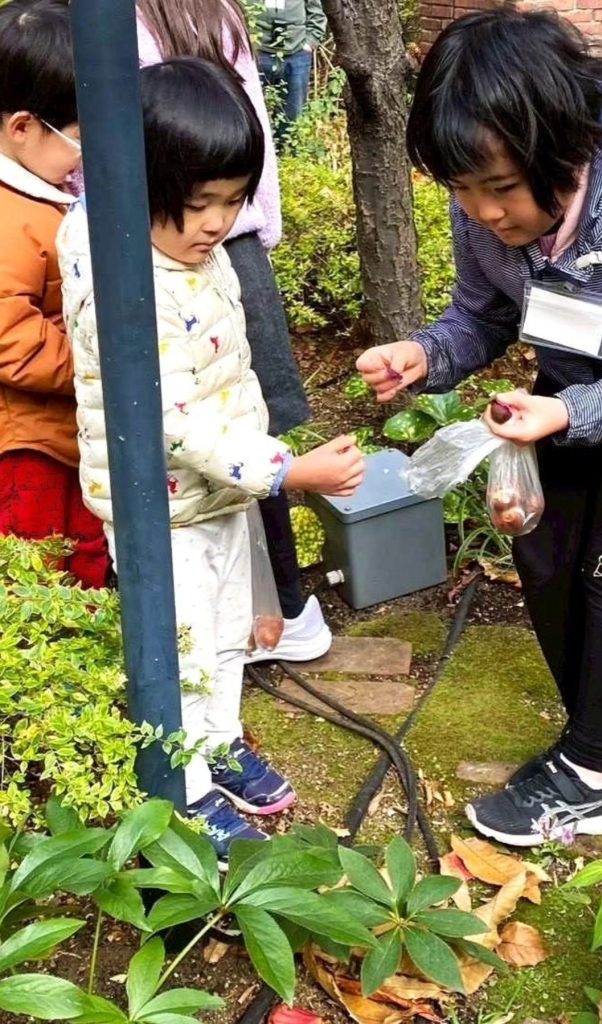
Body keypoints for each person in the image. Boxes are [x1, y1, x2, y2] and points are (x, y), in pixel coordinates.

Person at [357, 9, 602, 846]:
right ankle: (596, 722)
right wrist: (427, 354)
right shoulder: (483, 203)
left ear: (563, 145)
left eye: (501, 188)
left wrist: (573, 412)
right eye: (461, 189)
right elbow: (483, 315)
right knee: (539, 545)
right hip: (572, 375)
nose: (483, 212)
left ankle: (590, 772)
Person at [58, 57, 364, 862]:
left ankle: (219, 743)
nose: (218, 222)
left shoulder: (190, 251)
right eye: (200, 204)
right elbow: (170, 418)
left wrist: (262, 457)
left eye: (233, 201)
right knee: (182, 649)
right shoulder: (126, 281)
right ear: (140, 186)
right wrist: (286, 471)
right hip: (162, 507)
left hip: (219, 491)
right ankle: (183, 789)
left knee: (229, 632)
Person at [134, 0, 332, 663]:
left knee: (243, 416)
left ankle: (270, 614)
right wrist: (252, 222)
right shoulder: (209, 11)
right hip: (207, 246)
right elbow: (178, 420)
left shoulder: (137, 20)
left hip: (186, 244)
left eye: (230, 198)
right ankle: (268, 616)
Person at [0, 0, 109, 589]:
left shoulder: (40, 194)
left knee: (84, 551)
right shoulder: (8, 217)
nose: (87, 155)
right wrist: (95, 366)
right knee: (37, 571)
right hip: (26, 448)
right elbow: (11, 338)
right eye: (79, 139)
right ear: (22, 128)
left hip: (61, 432)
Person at [256, 0, 326, 142]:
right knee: (253, 110)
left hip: (296, 54)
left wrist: (310, 42)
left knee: (292, 116)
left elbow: (317, 13)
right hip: (258, 52)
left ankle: (287, 150)